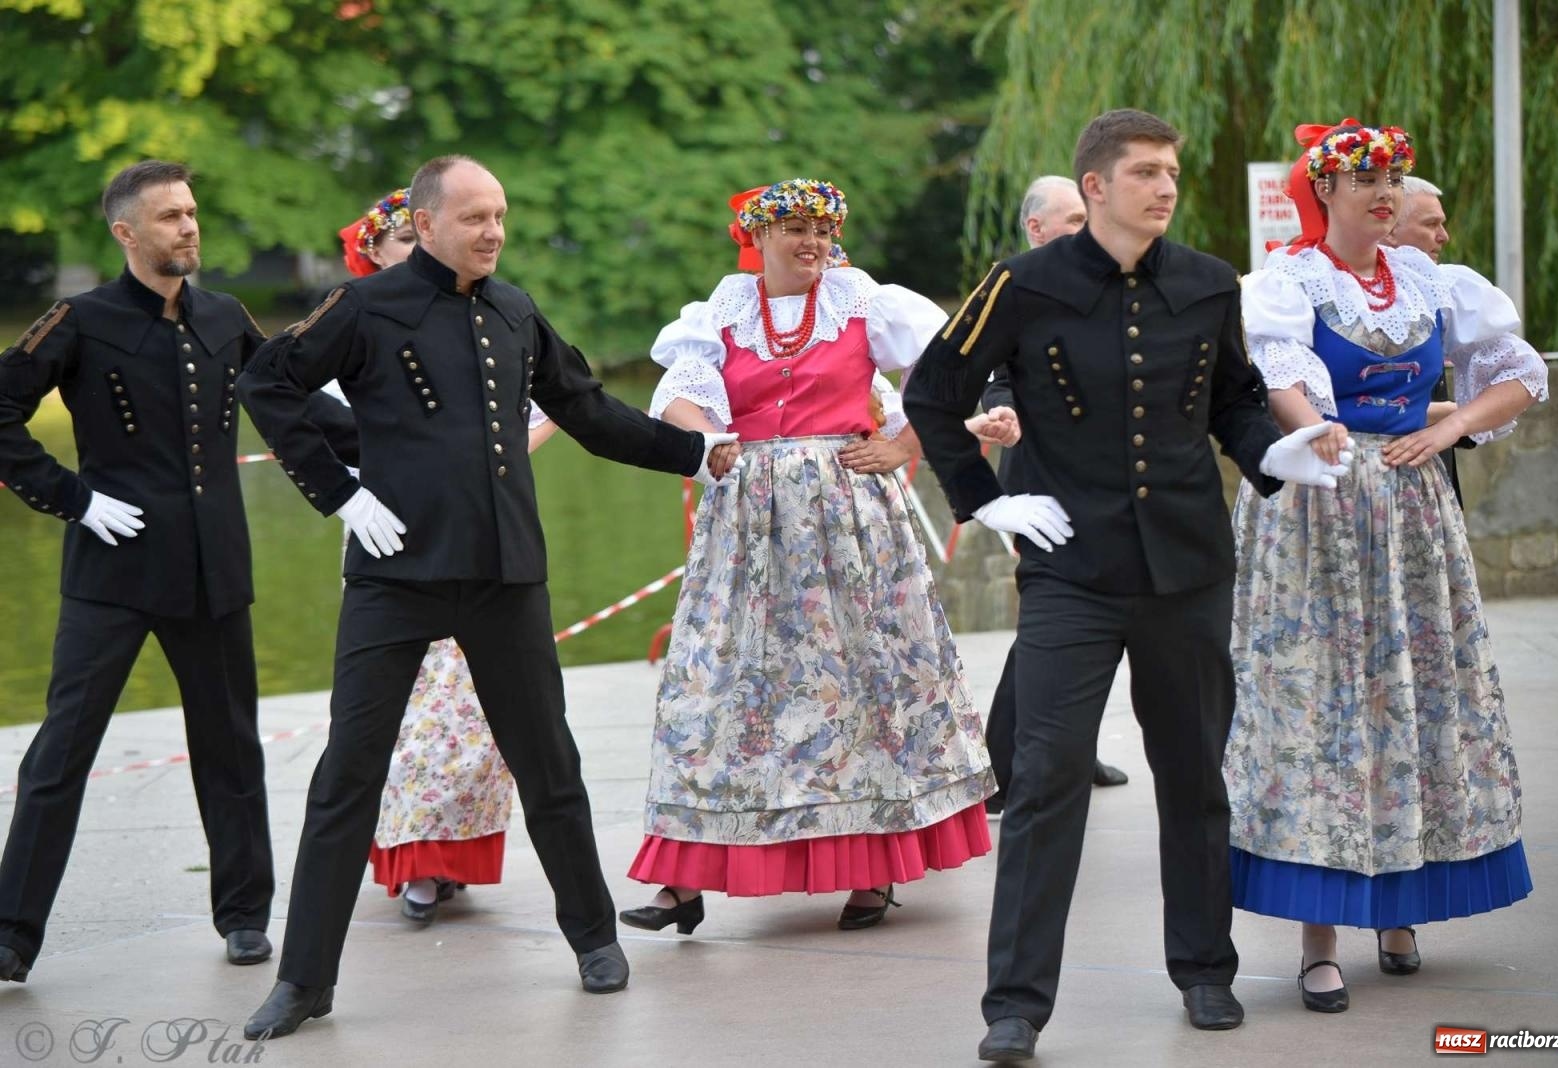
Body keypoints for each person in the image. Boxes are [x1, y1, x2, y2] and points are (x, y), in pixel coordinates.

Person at [235, 155, 735, 1040]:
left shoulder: (513, 309)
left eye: (500, 215)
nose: (493, 232)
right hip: (395, 577)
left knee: (548, 760)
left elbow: (585, 409)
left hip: (505, 573)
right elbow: (267, 383)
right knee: (347, 776)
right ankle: (303, 981)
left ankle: (592, 938)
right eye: (474, 218)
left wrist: (690, 454)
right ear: (424, 224)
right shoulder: (365, 307)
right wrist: (341, 494)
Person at [904, 109, 1353, 1062]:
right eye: (1145, 172)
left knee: (1193, 774)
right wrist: (984, 502)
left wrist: (1273, 454)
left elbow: (1229, 395)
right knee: (1045, 774)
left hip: (1189, 566)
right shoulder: (1021, 285)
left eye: (1171, 173)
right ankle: (1015, 1005)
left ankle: (1204, 971)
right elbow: (934, 394)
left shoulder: (1205, 281)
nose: (1164, 187)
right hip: (1071, 566)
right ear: (1096, 185)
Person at [1225, 120, 1546, 1014]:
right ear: (1322, 190)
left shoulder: (1434, 283)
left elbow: (1519, 372)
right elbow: (1280, 371)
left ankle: (1400, 910)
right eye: (1363, 175)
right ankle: (1318, 940)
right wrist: (1313, 427)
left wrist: (1449, 427)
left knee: (1410, 695)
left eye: (1391, 176)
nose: (1382, 189)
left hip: (1409, 506)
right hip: (1319, 502)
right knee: (1319, 704)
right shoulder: (1288, 281)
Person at [619, 179, 996, 938]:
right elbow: (678, 398)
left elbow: (953, 371)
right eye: (793, 227)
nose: (812, 242)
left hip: (849, 517)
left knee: (864, 679)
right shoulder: (720, 312)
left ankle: (874, 867)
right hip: (747, 524)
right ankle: (682, 877)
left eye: (822, 228)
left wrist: (903, 444)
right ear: (756, 236)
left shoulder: (865, 301)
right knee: (717, 685)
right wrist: (710, 441)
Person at [0, 160, 301, 980]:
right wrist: (70, 497)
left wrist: (392, 449)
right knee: (61, 752)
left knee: (232, 749)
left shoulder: (225, 317)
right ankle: (11, 933)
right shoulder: (81, 320)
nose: (189, 227)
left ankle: (244, 915)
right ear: (126, 234)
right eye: (170, 217)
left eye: (193, 212)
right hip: (112, 570)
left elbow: (293, 402)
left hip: (212, 571)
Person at [332, 188, 550, 925]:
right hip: (387, 540)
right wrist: (352, 486)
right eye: (388, 246)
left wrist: (493, 459)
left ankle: (453, 853)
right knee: (400, 718)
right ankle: (412, 860)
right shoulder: (353, 330)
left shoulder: (486, 315)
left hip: (479, 534)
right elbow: (294, 404)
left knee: (471, 715)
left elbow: (550, 403)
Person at [982, 176, 1127, 816]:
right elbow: (992, 379)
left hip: (1112, 479)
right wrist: (1005, 414)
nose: (1083, 227)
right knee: (1051, 622)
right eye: (1070, 219)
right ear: (1036, 228)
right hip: (1043, 483)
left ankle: (1075, 749)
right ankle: (1001, 766)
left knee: (1101, 619)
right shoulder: (1009, 291)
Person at [1382, 175, 1470, 506]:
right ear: (1388, 227)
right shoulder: (1340, 296)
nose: (1443, 236)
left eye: (1442, 224)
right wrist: (1447, 413)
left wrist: (1461, 419)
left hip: (1432, 481)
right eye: (1431, 224)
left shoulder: (1440, 291)